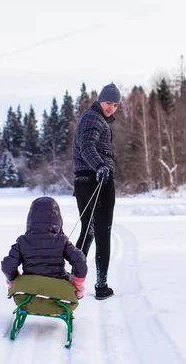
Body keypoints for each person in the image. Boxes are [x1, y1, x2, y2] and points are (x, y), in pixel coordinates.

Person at [72, 83, 120, 300]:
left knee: (89, 231)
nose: (111, 108)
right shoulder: (93, 117)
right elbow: (86, 146)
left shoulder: (95, 119)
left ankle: (74, 281)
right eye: (109, 102)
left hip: (84, 181)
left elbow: (88, 146)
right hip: (97, 181)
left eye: (115, 104)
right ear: (100, 100)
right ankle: (101, 286)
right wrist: (101, 166)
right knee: (102, 232)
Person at [1, 196, 88, 299]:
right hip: (58, 286)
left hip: (30, 286)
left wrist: (14, 279)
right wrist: (78, 283)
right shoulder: (62, 241)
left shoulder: (22, 241)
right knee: (71, 282)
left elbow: (8, 265)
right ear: (58, 219)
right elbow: (80, 260)